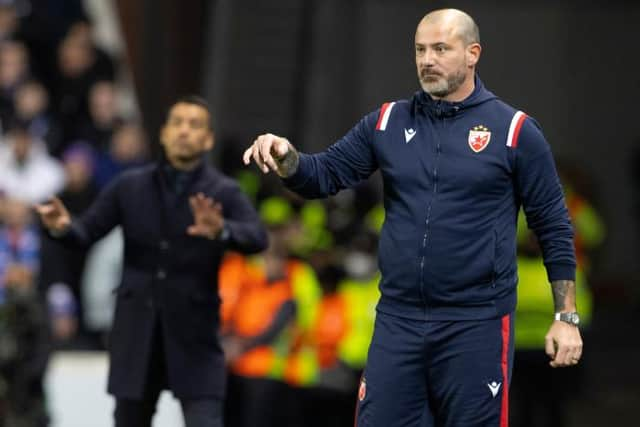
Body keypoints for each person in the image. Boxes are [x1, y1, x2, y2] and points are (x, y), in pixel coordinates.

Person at [243, 8, 582, 427]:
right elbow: (324, 175)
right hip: (399, 320)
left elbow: (553, 225)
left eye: (441, 48)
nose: (427, 59)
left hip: (475, 323)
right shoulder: (387, 122)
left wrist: (565, 318)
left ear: (473, 53)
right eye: (420, 49)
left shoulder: (514, 131)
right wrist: (288, 158)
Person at [36, 95, 268, 427]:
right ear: (163, 133)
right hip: (136, 333)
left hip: (195, 335)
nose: (185, 131)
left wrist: (222, 231)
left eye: (195, 124)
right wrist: (63, 227)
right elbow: (86, 231)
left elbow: (257, 238)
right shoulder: (130, 186)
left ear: (208, 138)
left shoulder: (223, 192)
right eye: (178, 123)